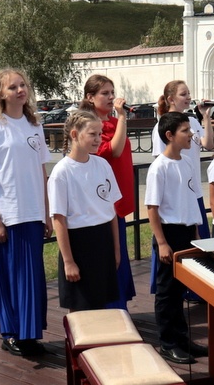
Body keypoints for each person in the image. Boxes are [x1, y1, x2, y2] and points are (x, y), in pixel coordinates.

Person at [0, 68, 50, 357]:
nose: (20, 90)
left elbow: (42, 172)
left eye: (22, 85)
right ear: (0, 94)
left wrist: (46, 213)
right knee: (9, 278)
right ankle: (11, 334)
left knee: (32, 278)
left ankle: (29, 335)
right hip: (7, 216)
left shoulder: (34, 125)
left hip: (32, 214)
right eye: (12, 87)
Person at [145, 112, 207, 365]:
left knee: (180, 289)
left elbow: (191, 198)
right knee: (167, 291)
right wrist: (162, 242)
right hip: (169, 233)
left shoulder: (187, 163)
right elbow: (152, 207)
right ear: (169, 135)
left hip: (186, 232)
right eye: (185, 130)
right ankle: (168, 343)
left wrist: (195, 231)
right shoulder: (159, 167)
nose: (191, 134)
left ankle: (182, 338)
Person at [48, 110, 121, 312]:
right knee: (80, 308)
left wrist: (116, 250)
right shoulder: (62, 172)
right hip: (79, 244)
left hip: (103, 240)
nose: (98, 139)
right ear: (74, 135)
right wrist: (68, 261)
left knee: (101, 305)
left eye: (100, 134)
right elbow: (59, 219)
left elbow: (111, 211)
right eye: (92, 134)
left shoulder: (102, 165)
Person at [79, 74, 136, 309]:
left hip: (118, 195)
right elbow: (114, 150)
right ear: (90, 97)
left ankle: (120, 304)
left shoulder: (113, 122)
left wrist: (119, 119)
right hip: (103, 199)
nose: (111, 97)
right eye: (105, 93)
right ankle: (111, 307)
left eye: (112, 92)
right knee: (110, 254)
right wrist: (122, 117)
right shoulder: (92, 126)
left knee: (119, 251)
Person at [152, 80, 213, 238]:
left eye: (189, 93)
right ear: (171, 99)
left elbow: (208, 144)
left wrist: (206, 117)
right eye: (183, 94)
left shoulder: (192, 121)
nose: (188, 97)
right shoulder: (163, 126)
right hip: (176, 195)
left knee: (198, 240)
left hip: (194, 190)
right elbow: (161, 162)